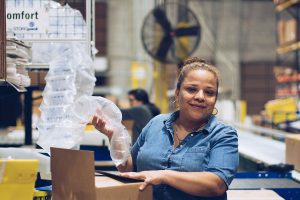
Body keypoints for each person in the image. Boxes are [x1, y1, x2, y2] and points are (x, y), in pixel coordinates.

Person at [92, 57, 239, 200]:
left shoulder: (223, 134)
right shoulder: (156, 124)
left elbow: (217, 184)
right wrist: (115, 135)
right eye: (192, 89)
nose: (200, 97)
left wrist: (162, 175)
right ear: (177, 92)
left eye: (209, 92)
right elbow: (130, 168)